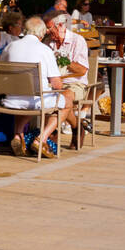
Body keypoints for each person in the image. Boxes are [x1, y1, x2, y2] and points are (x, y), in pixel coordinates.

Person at [0, 16, 74, 159]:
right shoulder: (44, 50)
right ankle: (42, 139)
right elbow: (57, 84)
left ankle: (18, 135)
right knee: (67, 101)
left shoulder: (10, 46)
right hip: (35, 100)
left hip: (11, 100)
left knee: (30, 97)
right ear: (41, 33)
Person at [44, 9, 88, 148]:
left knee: (64, 97)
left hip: (74, 83)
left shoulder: (77, 40)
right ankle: (77, 127)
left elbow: (82, 70)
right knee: (45, 97)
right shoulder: (48, 43)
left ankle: (49, 134)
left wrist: (64, 60)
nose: (47, 31)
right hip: (52, 83)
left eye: (49, 28)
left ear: (61, 25)